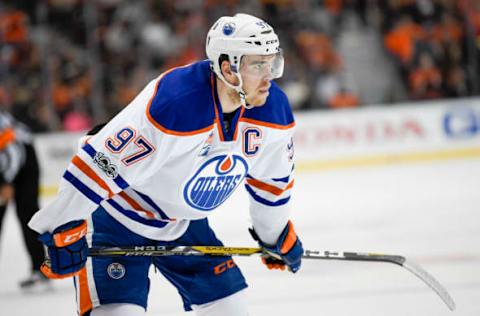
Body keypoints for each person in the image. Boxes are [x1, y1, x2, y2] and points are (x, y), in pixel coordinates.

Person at [28, 13, 303, 316]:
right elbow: (101, 164)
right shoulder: (177, 102)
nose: (270, 76)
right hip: (116, 219)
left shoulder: (273, 111)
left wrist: (274, 235)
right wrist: (63, 225)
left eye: (272, 62)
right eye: (258, 65)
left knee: (231, 309)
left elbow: (273, 184)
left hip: (183, 226)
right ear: (228, 68)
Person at [0, 110, 48, 290]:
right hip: (7, 168)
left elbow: (13, 153)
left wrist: (6, 182)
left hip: (24, 165)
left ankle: (40, 270)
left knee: (29, 218)